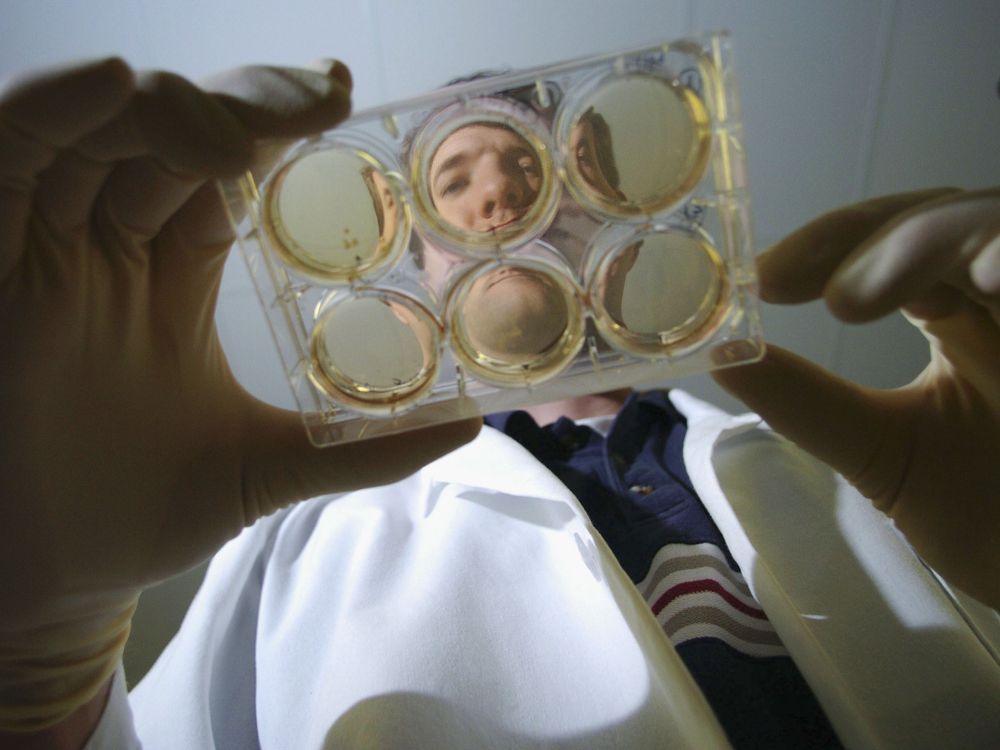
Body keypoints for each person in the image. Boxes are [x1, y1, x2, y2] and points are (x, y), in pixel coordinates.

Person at [0, 57, 997, 749]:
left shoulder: (865, 475)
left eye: (533, 168)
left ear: (597, 215)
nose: (499, 200)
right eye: (455, 177)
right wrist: (38, 678)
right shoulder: (301, 535)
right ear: (420, 260)